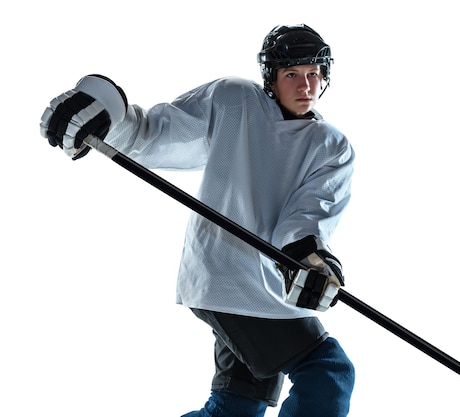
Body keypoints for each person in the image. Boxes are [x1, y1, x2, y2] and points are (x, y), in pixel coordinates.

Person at [40, 24, 356, 416]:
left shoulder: (331, 146)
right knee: (326, 371)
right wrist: (109, 115)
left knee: (237, 408)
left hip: (271, 286)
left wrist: (309, 258)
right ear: (271, 78)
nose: (304, 85)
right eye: (292, 74)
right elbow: (158, 133)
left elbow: (308, 217)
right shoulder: (236, 101)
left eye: (313, 74)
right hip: (227, 276)